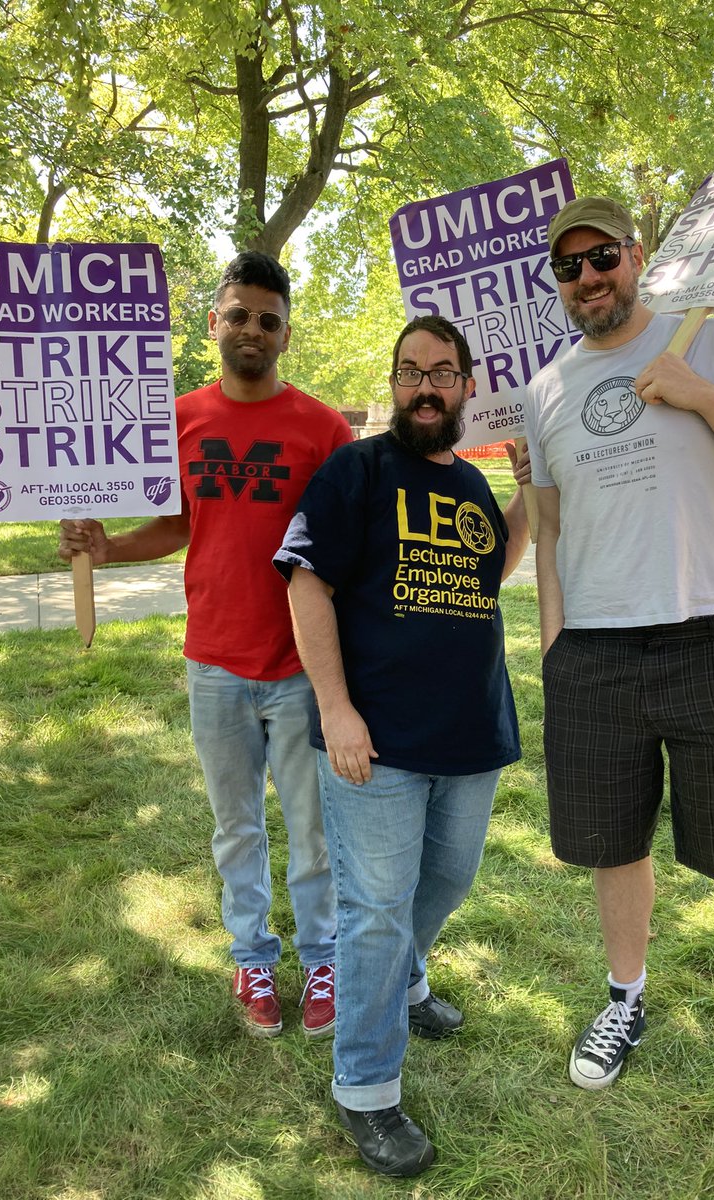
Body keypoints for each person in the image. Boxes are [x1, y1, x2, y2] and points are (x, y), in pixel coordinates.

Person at [525, 197, 714, 1115]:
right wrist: (553, 651)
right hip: (595, 654)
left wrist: (699, 393)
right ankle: (625, 1002)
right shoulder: (546, 392)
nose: (588, 278)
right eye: (569, 267)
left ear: (636, 254)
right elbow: (547, 531)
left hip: (708, 639)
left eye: (602, 256)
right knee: (614, 848)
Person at [58, 252, 352, 1039]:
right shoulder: (176, 419)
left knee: (313, 825)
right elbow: (178, 523)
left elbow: (346, 540)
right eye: (238, 314)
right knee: (236, 826)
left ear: (286, 335)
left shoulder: (322, 428)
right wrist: (104, 546)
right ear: (213, 323)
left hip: (299, 666)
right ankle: (253, 956)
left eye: (267, 319)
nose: (251, 329)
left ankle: (325, 957)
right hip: (215, 661)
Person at [273, 314, 530, 1177]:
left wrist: (529, 500)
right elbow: (308, 587)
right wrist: (336, 710)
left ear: (466, 387)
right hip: (374, 742)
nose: (426, 386)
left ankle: (403, 983)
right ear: (393, 384)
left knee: (448, 877)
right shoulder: (357, 469)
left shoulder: (468, 484)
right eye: (411, 371)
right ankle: (366, 1090)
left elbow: (487, 574)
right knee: (374, 911)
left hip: (470, 730)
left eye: (443, 372)